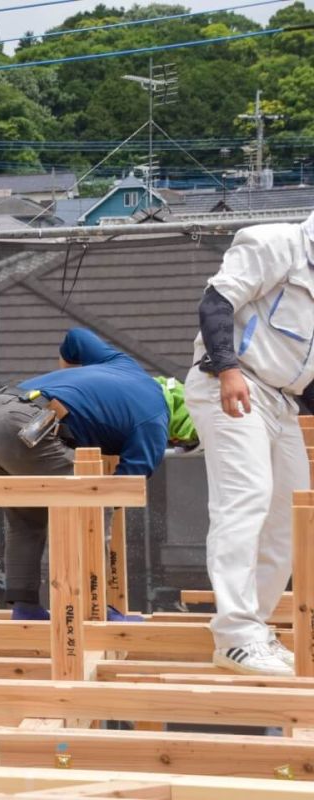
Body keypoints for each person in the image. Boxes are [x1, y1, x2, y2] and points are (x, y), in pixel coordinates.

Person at [0, 327, 169, 621]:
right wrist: (101, 508)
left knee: (28, 518)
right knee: (91, 504)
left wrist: (68, 385)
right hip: (25, 427)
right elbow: (122, 485)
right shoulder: (156, 420)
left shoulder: (126, 367)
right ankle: (95, 609)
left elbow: (76, 338)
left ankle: (25, 609)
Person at [185, 212, 314, 676]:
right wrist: (228, 369)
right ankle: (235, 635)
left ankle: (254, 630)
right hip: (234, 383)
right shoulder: (275, 244)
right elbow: (216, 303)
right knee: (246, 500)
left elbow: (301, 368)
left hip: (281, 400)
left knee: (292, 514)